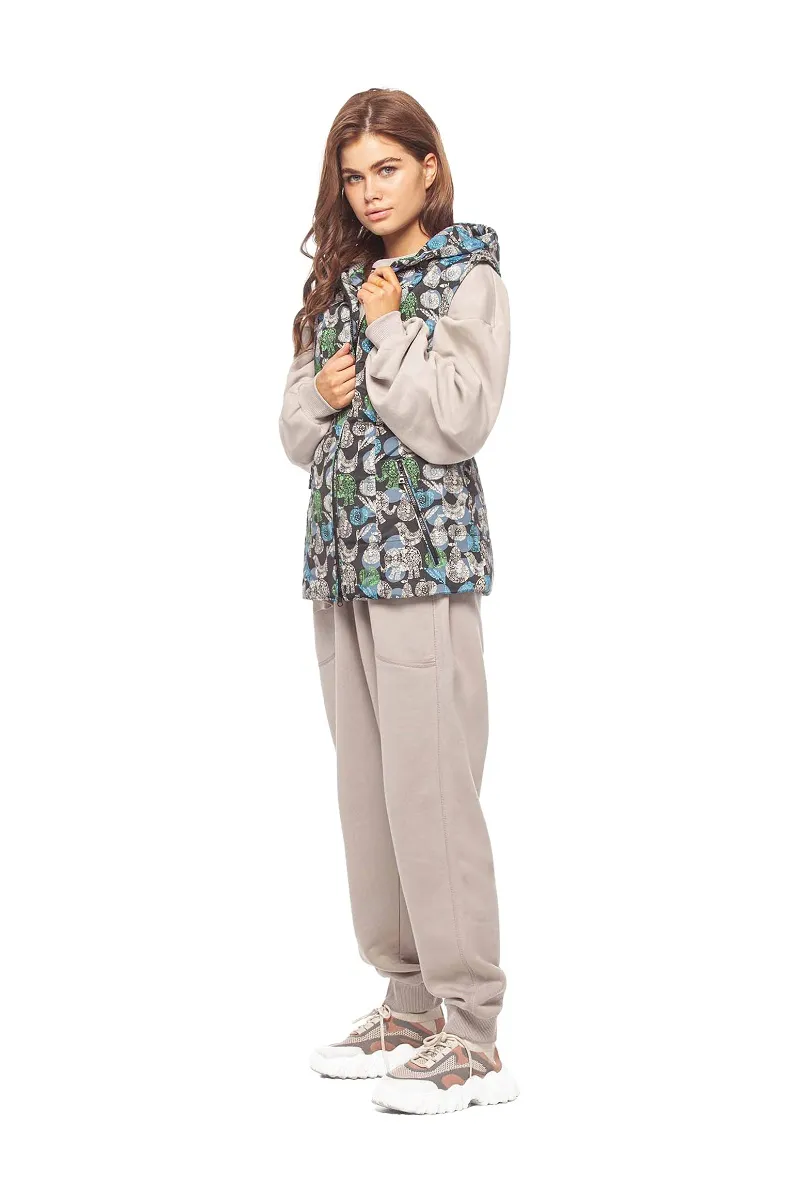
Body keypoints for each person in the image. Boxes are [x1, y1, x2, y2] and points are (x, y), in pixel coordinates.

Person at [278, 88, 518, 1116]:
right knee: (370, 794)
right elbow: (295, 430)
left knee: (432, 791)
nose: (368, 191)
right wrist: (320, 395)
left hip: (421, 568)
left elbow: (458, 417)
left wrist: (389, 333)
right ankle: (409, 1001)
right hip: (342, 567)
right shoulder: (339, 282)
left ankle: (473, 1035)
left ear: (428, 167)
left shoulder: (465, 278)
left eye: (385, 168)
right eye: (352, 176)